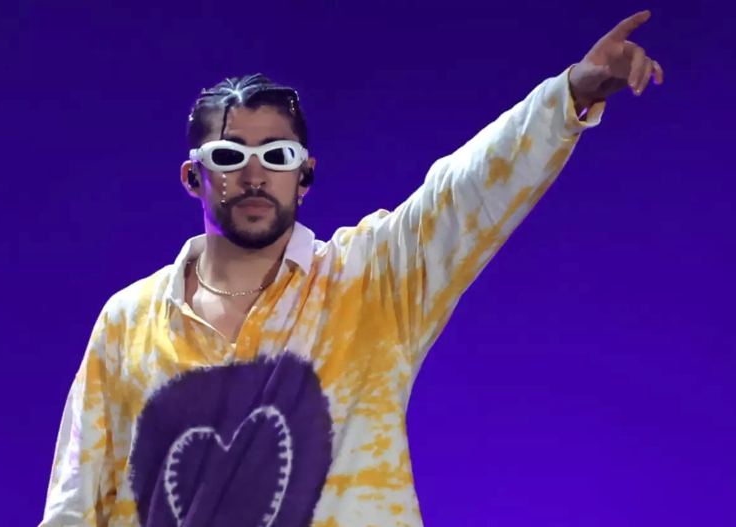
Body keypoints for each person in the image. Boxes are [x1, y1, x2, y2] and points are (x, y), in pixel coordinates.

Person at [38, 11, 663, 527]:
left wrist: (568, 97)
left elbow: (463, 194)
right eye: (229, 155)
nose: (254, 174)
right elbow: (73, 504)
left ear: (305, 176)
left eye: (277, 155)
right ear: (193, 177)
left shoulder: (371, 282)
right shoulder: (128, 323)